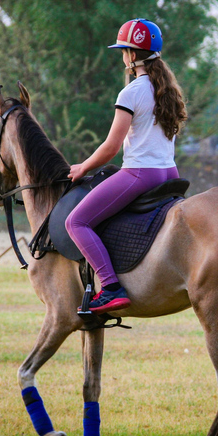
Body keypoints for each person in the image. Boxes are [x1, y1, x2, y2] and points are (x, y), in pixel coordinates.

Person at [65, 18, 187, 314]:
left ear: (132, 55)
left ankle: (110, 287)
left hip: (139, 175)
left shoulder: (131, 93)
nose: (122, 56)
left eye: (123, 51)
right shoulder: (167, 89)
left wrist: (83, 167)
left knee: (75, 222)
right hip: (170, 173)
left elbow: (110, 148)